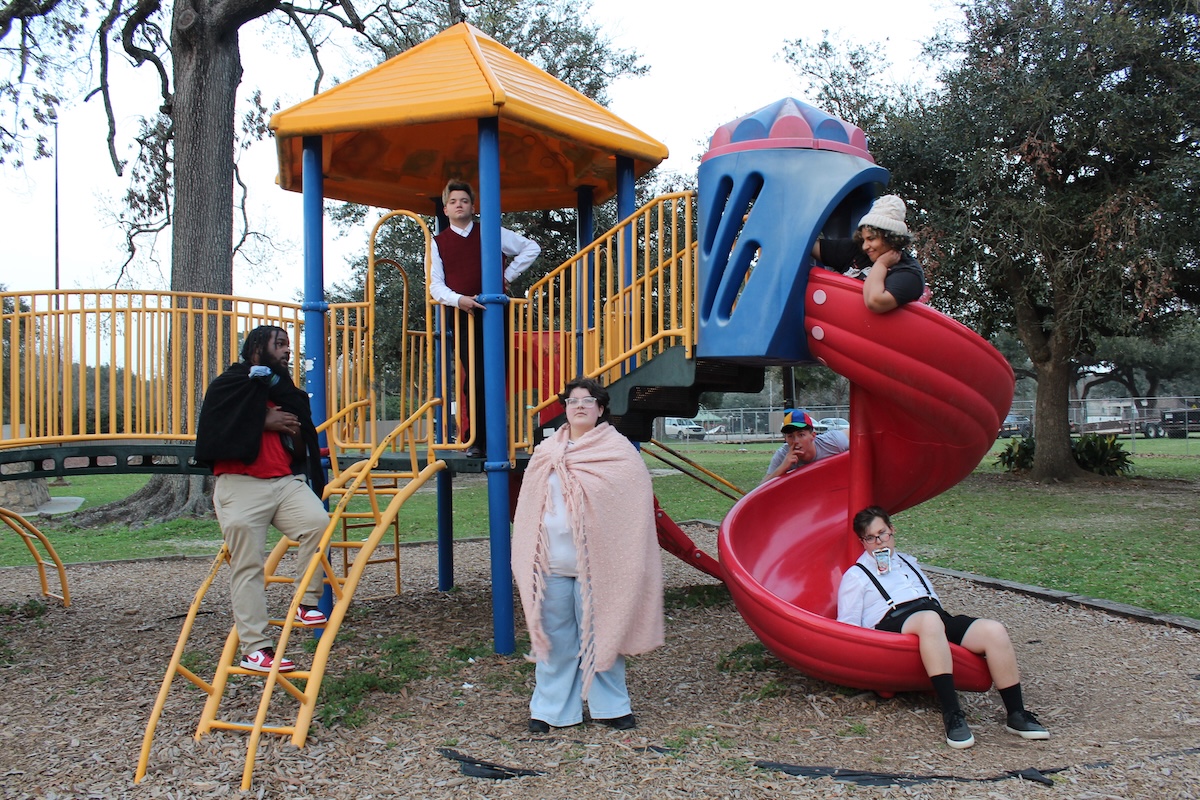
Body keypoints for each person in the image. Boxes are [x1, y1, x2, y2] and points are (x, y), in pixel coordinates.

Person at [511, 377, 664, 733]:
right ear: (565, 408)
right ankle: (551, 710)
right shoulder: (545, 453)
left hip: (601, 564)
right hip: (550, 564)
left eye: (588, 400)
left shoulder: (620, 451)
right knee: (554, 639)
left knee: (603, 633)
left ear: (600, 409)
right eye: (573, 400)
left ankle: (611, 707)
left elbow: (633, 509)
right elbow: (529, 506)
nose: (579, 405)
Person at [837, 506, 1049, 749]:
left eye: (882, 533)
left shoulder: (908, 561)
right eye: (870, 538)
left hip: (933, 617)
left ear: (892, 530)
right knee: (929, 619)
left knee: (994, 630)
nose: (879, 542)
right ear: (862, 542)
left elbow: (931, 601)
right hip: (893, 623)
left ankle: (1016, 713)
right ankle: (952, 714)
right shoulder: (856, 575)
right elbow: (848, 627)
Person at [194, 325, 330, 674]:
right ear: (257, 346)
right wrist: (262, 420)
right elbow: (215, 432)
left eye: (289, 345)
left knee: (318, 522)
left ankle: (306, 601)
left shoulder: (284, 390)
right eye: (280, 344)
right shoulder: (230, 384)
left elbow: (301, 442)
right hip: (241, 485)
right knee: (248, 565)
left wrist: (292, 429)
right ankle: (256, 649)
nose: (287, 351)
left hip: (284, 482)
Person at [429, 179, 540, 458]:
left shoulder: (491, 232)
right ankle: (475, 438)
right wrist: (460, 300)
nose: (459, 205)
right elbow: (435, 286)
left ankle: (497, 436)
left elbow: (531, 248)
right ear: (445, 209)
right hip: (464, 315)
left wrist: (505, 277)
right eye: (453, 201)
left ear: (473, 206)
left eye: (464, 201)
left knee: (496, 373)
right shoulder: (437, 243)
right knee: (474, 376)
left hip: (493, 312)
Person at [812, 194, 926, 313]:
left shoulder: (909, 273)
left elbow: (874, 302)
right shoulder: (857, 250)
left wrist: (881, 264)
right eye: (863, 239)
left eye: (871, 239)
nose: (865, 246)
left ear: (891, 238)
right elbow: (808, 247)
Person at [762, 408, 850, 483]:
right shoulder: (783, 455)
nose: (796, 441)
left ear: (813, 435)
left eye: (801, 435)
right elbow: (759, 490)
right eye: (790, 436)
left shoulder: (832, 442)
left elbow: (856, 432)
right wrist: (782, 468)